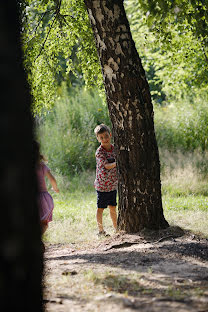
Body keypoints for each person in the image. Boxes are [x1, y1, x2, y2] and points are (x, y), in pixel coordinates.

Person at [94, 124, 118, 237]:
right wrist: (118, 163)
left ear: (110, 135)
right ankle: (101, 231)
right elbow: (107, 166)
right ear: (98, 139)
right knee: (100, 208)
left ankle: (116, 228)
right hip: (102, 186)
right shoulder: (99, 152)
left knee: (113, 207)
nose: (105, 139)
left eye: (106, 136)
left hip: (112, 185)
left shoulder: (114, 149)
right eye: (101, 138)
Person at [33, 140, 59, 239]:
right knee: (44, 224)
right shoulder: (42, 166)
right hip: (43, 198)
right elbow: (52, 179)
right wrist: (55, 188)